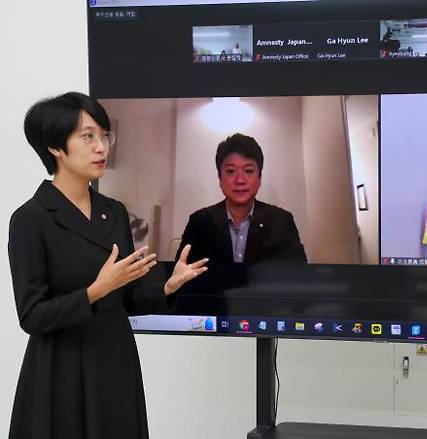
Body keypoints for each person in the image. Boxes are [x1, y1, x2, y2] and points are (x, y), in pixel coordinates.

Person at [8, 92, 209, 439]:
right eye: (88, 137)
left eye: (104, 136)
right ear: (55, 146)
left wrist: (165, 286)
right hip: (61, 370)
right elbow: (32, 315)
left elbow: (128, 296)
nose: (101, 147)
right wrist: (96, 290)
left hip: (114, 360)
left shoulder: (113, 211)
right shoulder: (30, 219)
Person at [177, 133, 307, 265]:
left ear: (260, 178)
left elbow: (296, 278)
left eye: (248, 171)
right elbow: (180, 277)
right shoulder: (200, 222)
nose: (240, 180)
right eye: (230, 171)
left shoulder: (281, 222)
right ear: (220, 178)